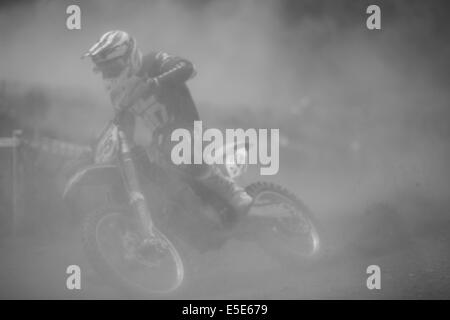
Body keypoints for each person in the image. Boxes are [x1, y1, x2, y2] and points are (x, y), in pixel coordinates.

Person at [82, 30, 252, 219]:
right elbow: (125, 130)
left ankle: (232, 190)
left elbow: (187, 67)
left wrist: (155, 82)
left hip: (188, 128)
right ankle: (190, 217)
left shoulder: (153, 62)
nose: (110, 73)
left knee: (172, 142)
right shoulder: (119, 95)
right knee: (151, 172)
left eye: (113, 66)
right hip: (162, 141)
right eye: (105, 69)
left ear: (129, 57)